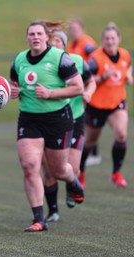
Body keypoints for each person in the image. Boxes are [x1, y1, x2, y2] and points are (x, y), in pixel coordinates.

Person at [9, 20, 85, 232]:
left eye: (38, 33)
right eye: (31, 33)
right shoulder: (19, 59)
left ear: (46, 37)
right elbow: (14, 84)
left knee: (58, 170)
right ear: (27, 37)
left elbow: (78, 87)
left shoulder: (60, 58)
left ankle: (73, 182)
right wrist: (12, 91)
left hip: (57, 118)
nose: (35, 37)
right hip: (29, 119)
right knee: (29, 166)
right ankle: (39, 219)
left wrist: (51, 93)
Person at [42, 29, 96, 222]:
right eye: (52, 41)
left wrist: (88, 91)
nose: (55, 44)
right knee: (48, 169)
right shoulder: (43, 64)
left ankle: (71, 187)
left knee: (72, 169)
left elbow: (91, 81)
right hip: (50, 121)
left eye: (58, 41)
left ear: (65, 45)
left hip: (75, 119)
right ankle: (53, 211)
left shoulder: (78, 62)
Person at [79, 22, 133, 188]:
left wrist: (129, 76)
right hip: (97, 106)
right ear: (102, 40)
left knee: (122, 134)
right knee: (90, 141)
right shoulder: (96, 59)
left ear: (119, 39)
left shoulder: (124, 55)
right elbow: (85, 78)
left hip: (117, 103)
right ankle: (80, 173)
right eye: (107, 38)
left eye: (113, 38)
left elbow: (128, 66)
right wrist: (103, 77)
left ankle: (116, 173)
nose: (110, 41)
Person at [67, 18, 101, 167]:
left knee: (89, 121)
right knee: (85, 119)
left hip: (88, 86)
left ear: (82, 29)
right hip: (77, 87)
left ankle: (94, 153)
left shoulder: (87, 44)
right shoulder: (71, 45)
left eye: (75, 28)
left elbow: (97, 60)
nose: (73, 31)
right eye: (71, 29)